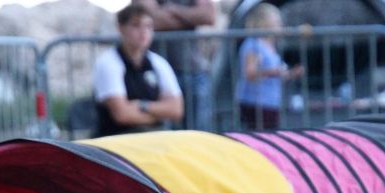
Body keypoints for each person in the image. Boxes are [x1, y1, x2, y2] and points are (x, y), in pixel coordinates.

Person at [93, 4, 184, 137]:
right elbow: (122, 115)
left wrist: (142, 105)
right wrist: (159, 115)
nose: (143, 31)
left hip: (155, 136)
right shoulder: (108, 63)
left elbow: (176, 109)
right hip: (117, 140)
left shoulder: (158, 63)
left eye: (148, 26)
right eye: (136, 25)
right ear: (121, 28)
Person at [131, 0, 216, 130]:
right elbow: (153, 20)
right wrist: (189, 18)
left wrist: (172, 9)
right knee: (162, 132)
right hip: (156, 75)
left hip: (192, 71)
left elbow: (208, 16)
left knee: (199, 135)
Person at [235, 3, 303, 131]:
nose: (280, 26)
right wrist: (275, 72)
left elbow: (274, 74)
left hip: (269, 103)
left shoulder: (269, 45)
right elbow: (250, 73)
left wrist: (292, 73)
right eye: (277, 22)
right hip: (257, 104)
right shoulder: (254, 45)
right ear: (265, 23)